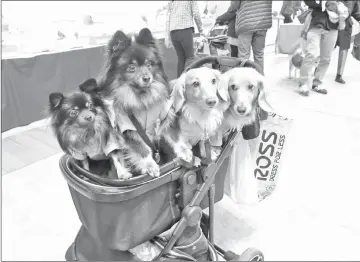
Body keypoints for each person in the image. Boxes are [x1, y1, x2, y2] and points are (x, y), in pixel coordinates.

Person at [298, 0, 345, 96]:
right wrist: (321, 2)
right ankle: (303, 83)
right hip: (316, 24)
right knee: (311, 54)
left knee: (326, 58)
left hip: (333, 26)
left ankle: (317, 83)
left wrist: (341, 9)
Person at [231, 1, 273, 75]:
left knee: (244, 55)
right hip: (263, 22)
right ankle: (260, 80)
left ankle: (244, 80)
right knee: (259, 54)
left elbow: (234, 5)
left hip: (246, 22)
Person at [165, 0, 204, 77]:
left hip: (173, 32)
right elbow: (196, 14)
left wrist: (167, 37)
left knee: (181, 58)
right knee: (190, 58)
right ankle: (186, 82)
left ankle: (179, 82)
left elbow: (168, 19)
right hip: (185, 30)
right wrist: (201, 30)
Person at [335, 0, 360, 84]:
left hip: (346, 26)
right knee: (326, 48)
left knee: (344, 49)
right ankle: (317, 67)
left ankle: (339, 75)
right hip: (332, 23)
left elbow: (356, 12)